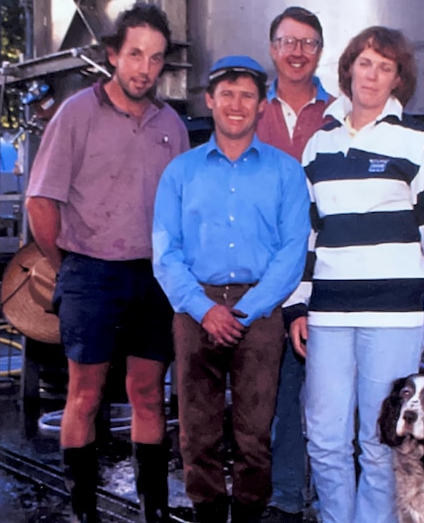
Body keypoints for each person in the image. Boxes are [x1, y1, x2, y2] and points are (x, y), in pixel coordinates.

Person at [26, 3, 190, 523]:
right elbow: (40, 204)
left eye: (156, 58)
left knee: (148, 392)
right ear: (113, 55)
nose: (145, 68)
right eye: (135, 54)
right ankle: (83, 511)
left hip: (153, 279)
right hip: (90, 273)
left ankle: (154, 507)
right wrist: (68, 266)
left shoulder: (173, 126)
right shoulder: (76, 113)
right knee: (85, 395)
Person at [288, 26, 424, 523]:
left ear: (398, 79)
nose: (373, 74)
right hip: (328, 315)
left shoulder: (418, 140)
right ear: (348, 69)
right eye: (366, 63)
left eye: (386, 67)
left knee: (382, 439)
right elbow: (309, 235)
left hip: (396, 316)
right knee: (323, 436)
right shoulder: (318, 145)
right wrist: (298, 303)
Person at [152, 55, 310, 523]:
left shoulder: (285, 172)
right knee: (196, 430)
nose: (236, 105)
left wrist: (248, 310)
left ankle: (247, 514)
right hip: (193, 306)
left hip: (260, 312)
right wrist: (203, 309)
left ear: (262, 105)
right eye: (227, 94)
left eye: (247, 95)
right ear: (210, 100)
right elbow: (165, 251)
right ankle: (206, 512)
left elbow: (292, 251)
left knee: (254, 430)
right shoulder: (180, 172)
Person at [256, 6, 334, 523]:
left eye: (308, 42)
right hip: (267, 276)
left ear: (321, 51)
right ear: (273, 49)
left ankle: (335, 500)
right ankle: (285, 496)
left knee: (332, 395)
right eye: (288, 41)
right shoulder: (249, 113)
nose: (297, 51)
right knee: (277, 392)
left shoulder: (342, 112)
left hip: (331, 270)